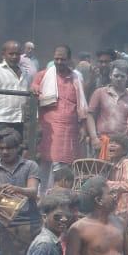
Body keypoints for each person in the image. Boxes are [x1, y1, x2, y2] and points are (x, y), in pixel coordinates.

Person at [32, 45, 90, 191]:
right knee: (45, 162)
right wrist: (34, 88)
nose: (59, 62)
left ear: (69, 60)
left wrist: (83, 127)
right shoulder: (43, 75)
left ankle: (59, 195)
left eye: (62, 59)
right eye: (56, 58)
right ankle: (42, 195)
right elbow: (33, 87)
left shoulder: (75, 78)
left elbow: (81, 103)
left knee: (64, 164)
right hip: (48, 128)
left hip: (70, 128)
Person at [87, 59, 128, 158]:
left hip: (123, 144)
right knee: (100, 171)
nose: (119, 79)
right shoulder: (100, 93)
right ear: (110, 76)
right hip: (103, 141)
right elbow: (90, 115)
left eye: (122, 76)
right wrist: (93, 137)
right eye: (116, 76)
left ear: (127, 78)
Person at [105, 133, 128, 225]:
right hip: (113, 209)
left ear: (125, 150)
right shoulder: (110, 165)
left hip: (122, 210)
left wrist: (107, 184)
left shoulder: (126, 163)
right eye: (111, 143)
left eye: (117, 143)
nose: (112, 145)